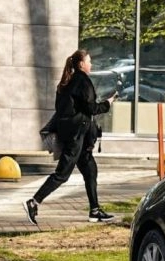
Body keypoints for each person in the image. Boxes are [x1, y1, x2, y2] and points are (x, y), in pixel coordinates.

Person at [24, 49, 117, 224]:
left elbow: (68, 109)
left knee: (90, 170)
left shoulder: (67, 82)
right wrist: (107, 104)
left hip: (74, 135)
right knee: (62, 174)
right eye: (89, 61)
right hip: (76, 137)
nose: (91, 64)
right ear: (81, 64)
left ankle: (95, 210)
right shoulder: (82, 81)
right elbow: (90, 108)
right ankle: (33, 202)